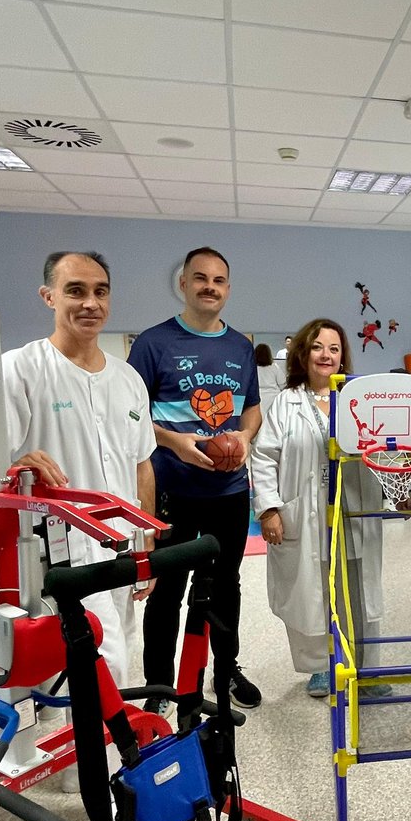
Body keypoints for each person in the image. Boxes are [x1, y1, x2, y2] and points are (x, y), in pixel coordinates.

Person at [2, 251, 157, 691]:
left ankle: (108, 755)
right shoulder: (20, 369)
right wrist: (15, 463)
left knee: (118, 657)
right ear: (48, 296)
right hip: (55, 557)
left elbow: (142, 463)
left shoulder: (128, 379)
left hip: (119, 550)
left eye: (100, 291)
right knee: (67, 676)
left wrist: (145, 544)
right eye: (76, 290)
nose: (91, 303)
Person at [128, 247, 262, 712]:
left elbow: (251, 407)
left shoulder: (240, 347)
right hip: (173, 490)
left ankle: (225, 672)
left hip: (229, 492)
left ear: (227, 288)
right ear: (183, 283)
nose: (210, 286)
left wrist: (243, 437)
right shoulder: (152, 343)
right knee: (168, 591)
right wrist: (174, 441)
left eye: (219, 280)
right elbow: (131, 416)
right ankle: (160, 687)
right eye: (200, 278)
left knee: (226, 585)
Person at [250, 320, 384, 699]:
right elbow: (262, 457)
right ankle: (320, 667)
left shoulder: (359, 398)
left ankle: (365, 669)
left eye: (334, 349)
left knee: (357, 588)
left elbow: (382, 449)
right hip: (305, 512)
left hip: (354, 509)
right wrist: (269, 510)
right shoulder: (285, 404)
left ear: (343, 357)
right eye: (318, 347)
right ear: (304, 354)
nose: (326, 355)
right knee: (314, 591)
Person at [255, 342, 284, 411]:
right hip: (274, 398)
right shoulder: (274, 367)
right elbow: (283, 384)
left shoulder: (251, 368)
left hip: (257, 398)